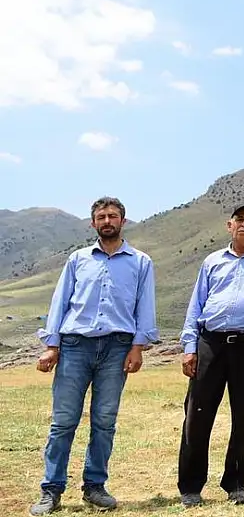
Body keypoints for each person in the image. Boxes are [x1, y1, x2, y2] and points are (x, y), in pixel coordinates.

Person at [30, 196, 158, 516]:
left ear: (123, 221)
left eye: (112, 215)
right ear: (93, 223)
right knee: (63, 422)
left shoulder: (141, 262)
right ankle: (51, 489)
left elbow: (145, 307)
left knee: (104, 421)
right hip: (75, 346)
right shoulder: (78, 259)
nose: (107, 221)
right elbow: (60, 303)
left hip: (117, 348)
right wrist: (52, 345)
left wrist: (138, 347)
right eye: (101, 216)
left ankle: (95, 486)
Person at [177, 204, 244, 507]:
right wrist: (189, 347)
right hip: (210, 343)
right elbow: (196, 305)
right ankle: (191, 486)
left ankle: (236, 482)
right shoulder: (212, 261)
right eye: (240, 220)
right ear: (229, 225)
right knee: (197, 414)